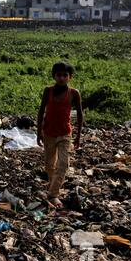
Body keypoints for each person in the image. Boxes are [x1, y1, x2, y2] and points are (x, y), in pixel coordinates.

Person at [37, 62, 83, 208]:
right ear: (54, 76)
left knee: (63, 164)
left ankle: (53, 194)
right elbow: (41, 111)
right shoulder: (48, 91)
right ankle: (52, 187)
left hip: (65, 133)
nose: (61, 78)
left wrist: (78, 135)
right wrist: (38, 131)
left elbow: (80, 114)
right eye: (59, 75)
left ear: (70, 77)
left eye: (65, 75)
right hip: (49, 132)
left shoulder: (74, 93)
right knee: (50, 165)